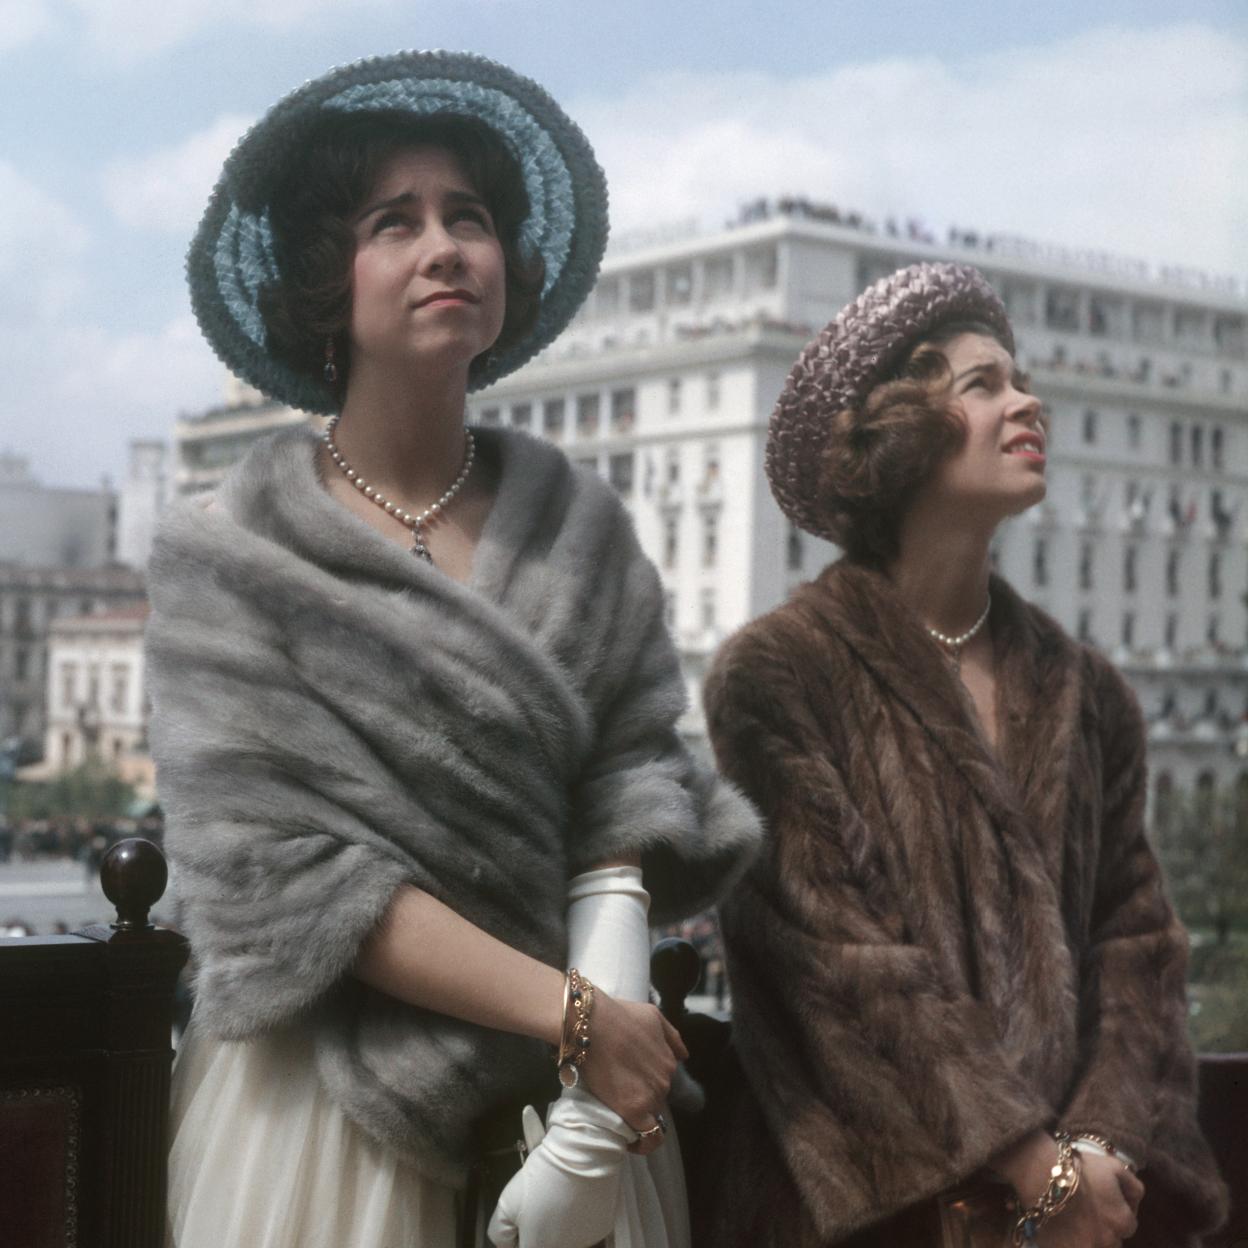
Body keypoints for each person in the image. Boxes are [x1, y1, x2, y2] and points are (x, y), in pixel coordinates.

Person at [147, 50, 761, 1248]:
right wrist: (578, 1018)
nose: (445, 247)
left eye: (468, 217)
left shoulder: (579, 527)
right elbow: (288, 877)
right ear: (327, 276)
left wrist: (591, 1117)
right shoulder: (230, 552)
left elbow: (626, 805)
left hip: (574, 1110)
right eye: (396, 221)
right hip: (325, 1119)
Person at [694, 262, 1228, 1248]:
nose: (1028, 403)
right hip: (866, 1219)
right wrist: (1032, 1167)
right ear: (897, 433)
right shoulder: (778, 673)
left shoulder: (1087, 690)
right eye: (985, 384)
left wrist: (1096, 1150)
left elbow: (1137, 947)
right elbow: (834, 963)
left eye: (1022, 380)